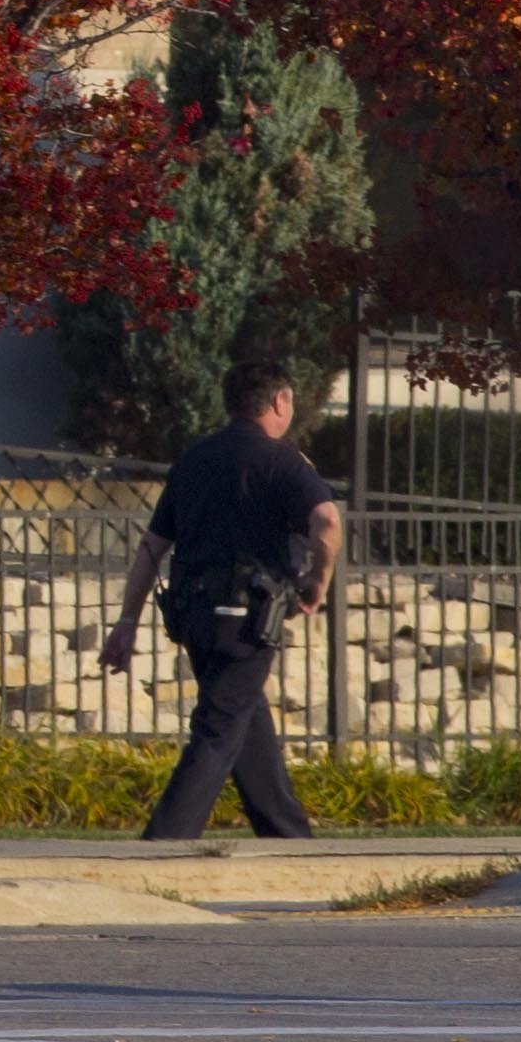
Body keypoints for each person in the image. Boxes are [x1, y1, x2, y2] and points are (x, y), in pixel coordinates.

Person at [97, 359, 348, 841]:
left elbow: (152, 546)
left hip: (193, 614)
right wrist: (317, 580)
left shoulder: (193, 459)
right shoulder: (283, 461)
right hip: (247, 620)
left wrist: (127, 620)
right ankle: (163, 846)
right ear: (280, 401)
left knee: (244, 722)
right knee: (217, 730)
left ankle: (290, 841)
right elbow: (328, 521)